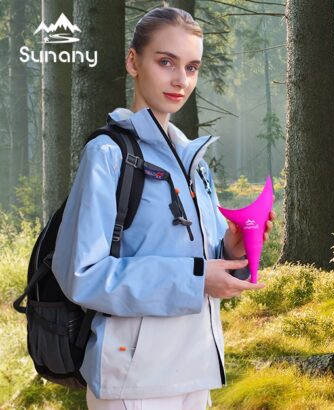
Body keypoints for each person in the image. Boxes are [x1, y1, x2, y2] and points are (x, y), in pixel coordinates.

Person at [50, 7, 274, 409]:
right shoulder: (108, 154)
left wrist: (232, 249)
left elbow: (196, 261)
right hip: (132, 382)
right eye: (165, 62)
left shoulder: (192, 160)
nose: (180, 80)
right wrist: (197, 280)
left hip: (196, 373)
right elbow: (82, 275)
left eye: (192, 67)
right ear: (133, 62)